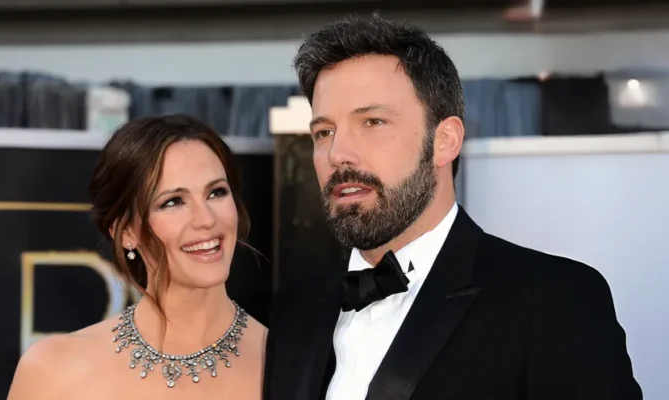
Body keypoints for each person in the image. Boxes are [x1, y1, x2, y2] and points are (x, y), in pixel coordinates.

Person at [263, 14, 642, 400]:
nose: (338, 153)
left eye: (372, 122)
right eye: (324, 132)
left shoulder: (554, 300)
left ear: (445, 140)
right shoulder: (294, 311)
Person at [8, 115, 266, 399]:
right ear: (126, 231)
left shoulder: (290, 365)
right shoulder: (54, 370)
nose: (206, 219)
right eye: (173, 202)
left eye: (216, 192)